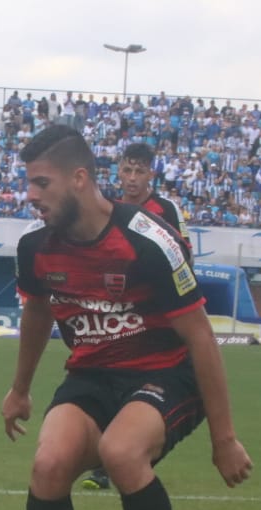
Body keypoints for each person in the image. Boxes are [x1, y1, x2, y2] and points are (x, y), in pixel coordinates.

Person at [2, 124, 252, 510]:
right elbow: (37, 312)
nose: (31, 195)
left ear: (80, 178)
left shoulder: (147, 240)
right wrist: (20, 388)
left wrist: (224, 439)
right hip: (92, 376)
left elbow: (201, 337)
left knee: (121, 452)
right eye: (28, 183)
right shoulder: (35, 248)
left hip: (165, 372)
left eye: (41, 183)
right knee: (48, 466)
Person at [82, 142, 194, 492]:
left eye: (139, 171)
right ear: (118, 170)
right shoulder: (110, 208)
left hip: (158, 311)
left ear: (151, 174)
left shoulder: (166, 209)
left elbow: (184, 258)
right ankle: (116, 459)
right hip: (122, 312)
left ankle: (120, 461)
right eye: (126, 170)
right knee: (116, 379)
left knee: (147, 384)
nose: (131, 178)